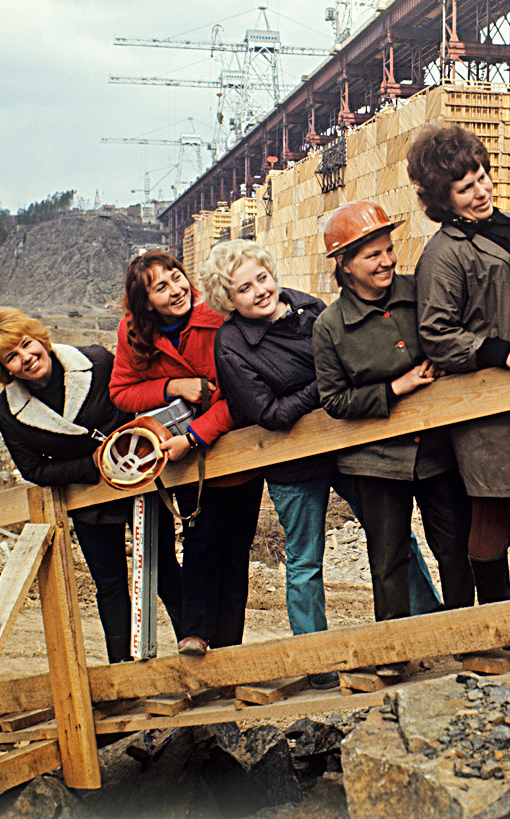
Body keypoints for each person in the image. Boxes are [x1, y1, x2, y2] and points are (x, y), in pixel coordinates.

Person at [203, 238, 444, 687]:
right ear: (226, 299)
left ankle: (428, 620)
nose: (259, 290)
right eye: (243, 288)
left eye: (262, 277)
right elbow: (268, 413)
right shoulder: (231, 344)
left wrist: (339, 389)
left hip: (351, 445)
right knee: (305, 559)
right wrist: (330, 389)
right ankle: (315, 659)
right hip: (291, 462)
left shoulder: (309, 308)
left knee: (391, 537)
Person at [0, 307, 183, 663]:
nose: (26, 358)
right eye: (11, 357)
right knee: (111, 585)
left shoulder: (97, 361)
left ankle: (195, 652)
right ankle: (122, 673)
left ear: (39, 338)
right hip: (89, 502)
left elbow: (136, 398)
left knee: (162, 571)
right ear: (2, 369)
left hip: (140, 483)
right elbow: (34, 469)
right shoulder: (8, 411)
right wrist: (92, 466)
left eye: (26, 344)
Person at [405, 124, 510, 604]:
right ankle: (496, 622)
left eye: (483, 175)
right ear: (443, 200)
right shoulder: (443, 255)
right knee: (498, 514)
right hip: (490, 405)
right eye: (465, 187)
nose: (481, 190)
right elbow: (436, 335)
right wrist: (498, 350)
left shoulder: (509, 227)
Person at [313, 200, 475, 639]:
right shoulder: (330, 326)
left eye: (388, 249)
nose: (386, 261)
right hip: (375, 461)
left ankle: (467, 639)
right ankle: (393, 650)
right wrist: (392, 390)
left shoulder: (420, 293)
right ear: (345, 265)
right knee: (388, 559)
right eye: (372, 255)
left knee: (455, 548)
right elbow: (334, 399)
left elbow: (449, 335)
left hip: (439, 450)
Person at [110, 250, 263, 655]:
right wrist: (173, 387)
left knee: (235, 550)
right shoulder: (133, 335)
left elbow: (241, 393)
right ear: (146, 303)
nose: (176, 289)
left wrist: (195, 434)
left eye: (177, 277)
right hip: (187, 460)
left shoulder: (218, 318)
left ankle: (229, 646)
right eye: (161, 287)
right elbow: (121, 392)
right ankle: (194, 633)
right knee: (200, 539)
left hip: (233, 444)